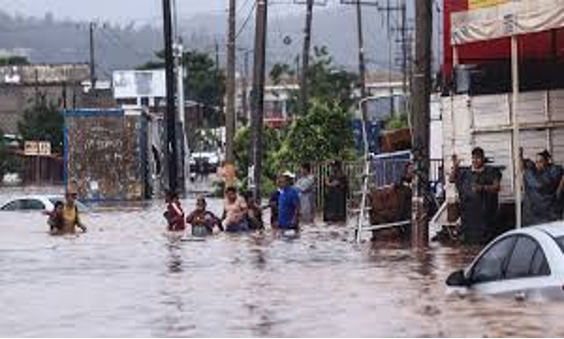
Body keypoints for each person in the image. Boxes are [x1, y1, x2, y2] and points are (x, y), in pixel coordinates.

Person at [450, 147, 502, 245]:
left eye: (478, 158)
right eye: (473, 158)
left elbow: (497, 187)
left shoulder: (491, 171)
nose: (475, 161)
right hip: (468, 218)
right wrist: (455, 166)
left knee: (485, 243)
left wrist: (482, 188)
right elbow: (451, 179)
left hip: (485, 216)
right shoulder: (466, 172)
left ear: (483, 158)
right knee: (469, 246)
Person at [522, 149, 564, 226]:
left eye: (540, 161)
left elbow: (540, 185)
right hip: (536, 214)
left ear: (547, 161)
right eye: (536, 162)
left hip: (550, 214)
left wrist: (529, 169)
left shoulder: (554, 170)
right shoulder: (534, 171)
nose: (537, 164)